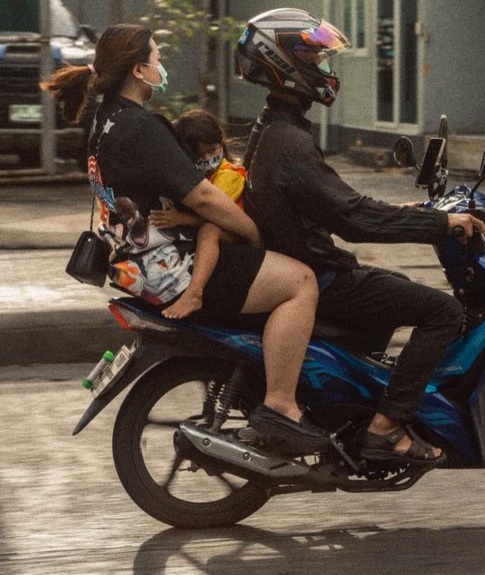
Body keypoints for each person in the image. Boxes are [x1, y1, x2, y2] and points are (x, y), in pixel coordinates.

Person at [42, 23, 328, 454]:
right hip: (169, 272)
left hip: (134, 267)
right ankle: (281, 405)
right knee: (301, 281)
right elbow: (207, 198)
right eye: (157, 59)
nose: (162, 66)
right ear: (139, 70)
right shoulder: (141, 128)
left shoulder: (105, 120)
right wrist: (253, 232)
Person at [235, 8, 485, 466]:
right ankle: (386, 428)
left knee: (388, 289)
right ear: (286, 64)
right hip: (321, 274)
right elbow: (353, 220)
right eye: (315, 58)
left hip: (304, 261)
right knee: (442, 311)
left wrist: (405, 212)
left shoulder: (273, 129)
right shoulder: (290, 142)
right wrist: (436, 224)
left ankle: (348, 412)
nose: (325, 69)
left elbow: (331, 202)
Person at [148, 109, 247, 320]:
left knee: (209, 231)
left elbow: (216, 213)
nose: (208, 158)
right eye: (200, 155)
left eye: (212, 151)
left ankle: (195, 292)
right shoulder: (197, 176)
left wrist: (181, 219)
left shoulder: (230, 174)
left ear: (221, 143)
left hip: (232, 231)